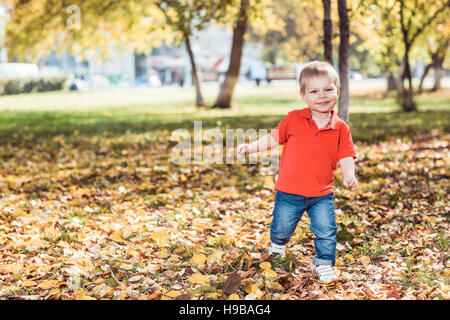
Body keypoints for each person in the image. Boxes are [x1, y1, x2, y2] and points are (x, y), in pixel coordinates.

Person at [235, 61, 358, 283]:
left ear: (337, 91)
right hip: (289, 191)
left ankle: (324, 263)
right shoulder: (294, 118)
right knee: (282, 227)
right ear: (303, 95)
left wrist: (349, 174)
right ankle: (277, 246)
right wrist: (251, 147)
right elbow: (273, 138)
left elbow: (346, 156)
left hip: (322, 194)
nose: (322, 96)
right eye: (314, 91)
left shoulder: (341, 128)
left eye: (328, 89)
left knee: (327, 231)